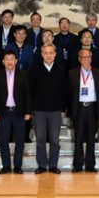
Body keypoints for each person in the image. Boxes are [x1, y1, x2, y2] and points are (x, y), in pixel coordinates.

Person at [0, 50, 32, 174]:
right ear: (3, 61)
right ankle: (6, 166)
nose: (9, 61)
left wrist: (28, 112)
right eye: (7, 59)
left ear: (16, 61)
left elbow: (28, 94)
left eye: (11, 59)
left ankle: (18, 166)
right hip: (3, 113)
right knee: (3, 141)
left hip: (19, 112)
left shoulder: (23, 74)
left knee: (20, 141)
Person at [30, 44, 68, 174]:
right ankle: (41, 165)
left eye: (51, 53)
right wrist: (32, 109)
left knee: (54, 139)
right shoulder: (35, 70)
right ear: (41, 54)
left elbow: (65, 91)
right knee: (40, 138)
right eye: (45, 53)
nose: (48, 55)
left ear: (55, 54)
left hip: (56, 110)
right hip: (39, 110)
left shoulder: (61, 70)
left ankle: (53, 165)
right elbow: (31, 91)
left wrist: (63, 108)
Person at [69, 48, 99, 173]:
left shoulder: (98, 73)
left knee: (91, 138)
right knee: (78, 138)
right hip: (79, 108)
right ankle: (77, 164)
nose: (86, 59)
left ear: (91, 58)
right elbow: (69, 93)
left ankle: (90, 165)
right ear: (79, 59)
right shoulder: (72, 73)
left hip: (93, 108)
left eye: (88, 57)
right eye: (83, 57)